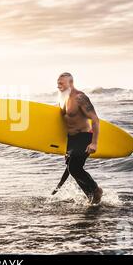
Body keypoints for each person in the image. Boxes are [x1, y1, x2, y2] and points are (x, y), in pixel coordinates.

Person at [52, 72, 103, 204]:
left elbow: (95, 120)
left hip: (84, 137)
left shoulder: (80, 97)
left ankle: (96, 190)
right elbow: (61, 118)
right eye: (58, 83)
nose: (58, 86)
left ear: (71, 83)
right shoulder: (63, 98)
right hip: (72, 140)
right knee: (72, 169)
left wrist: (94, 143)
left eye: (61, 83)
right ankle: (91, 197)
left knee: (74, 168)